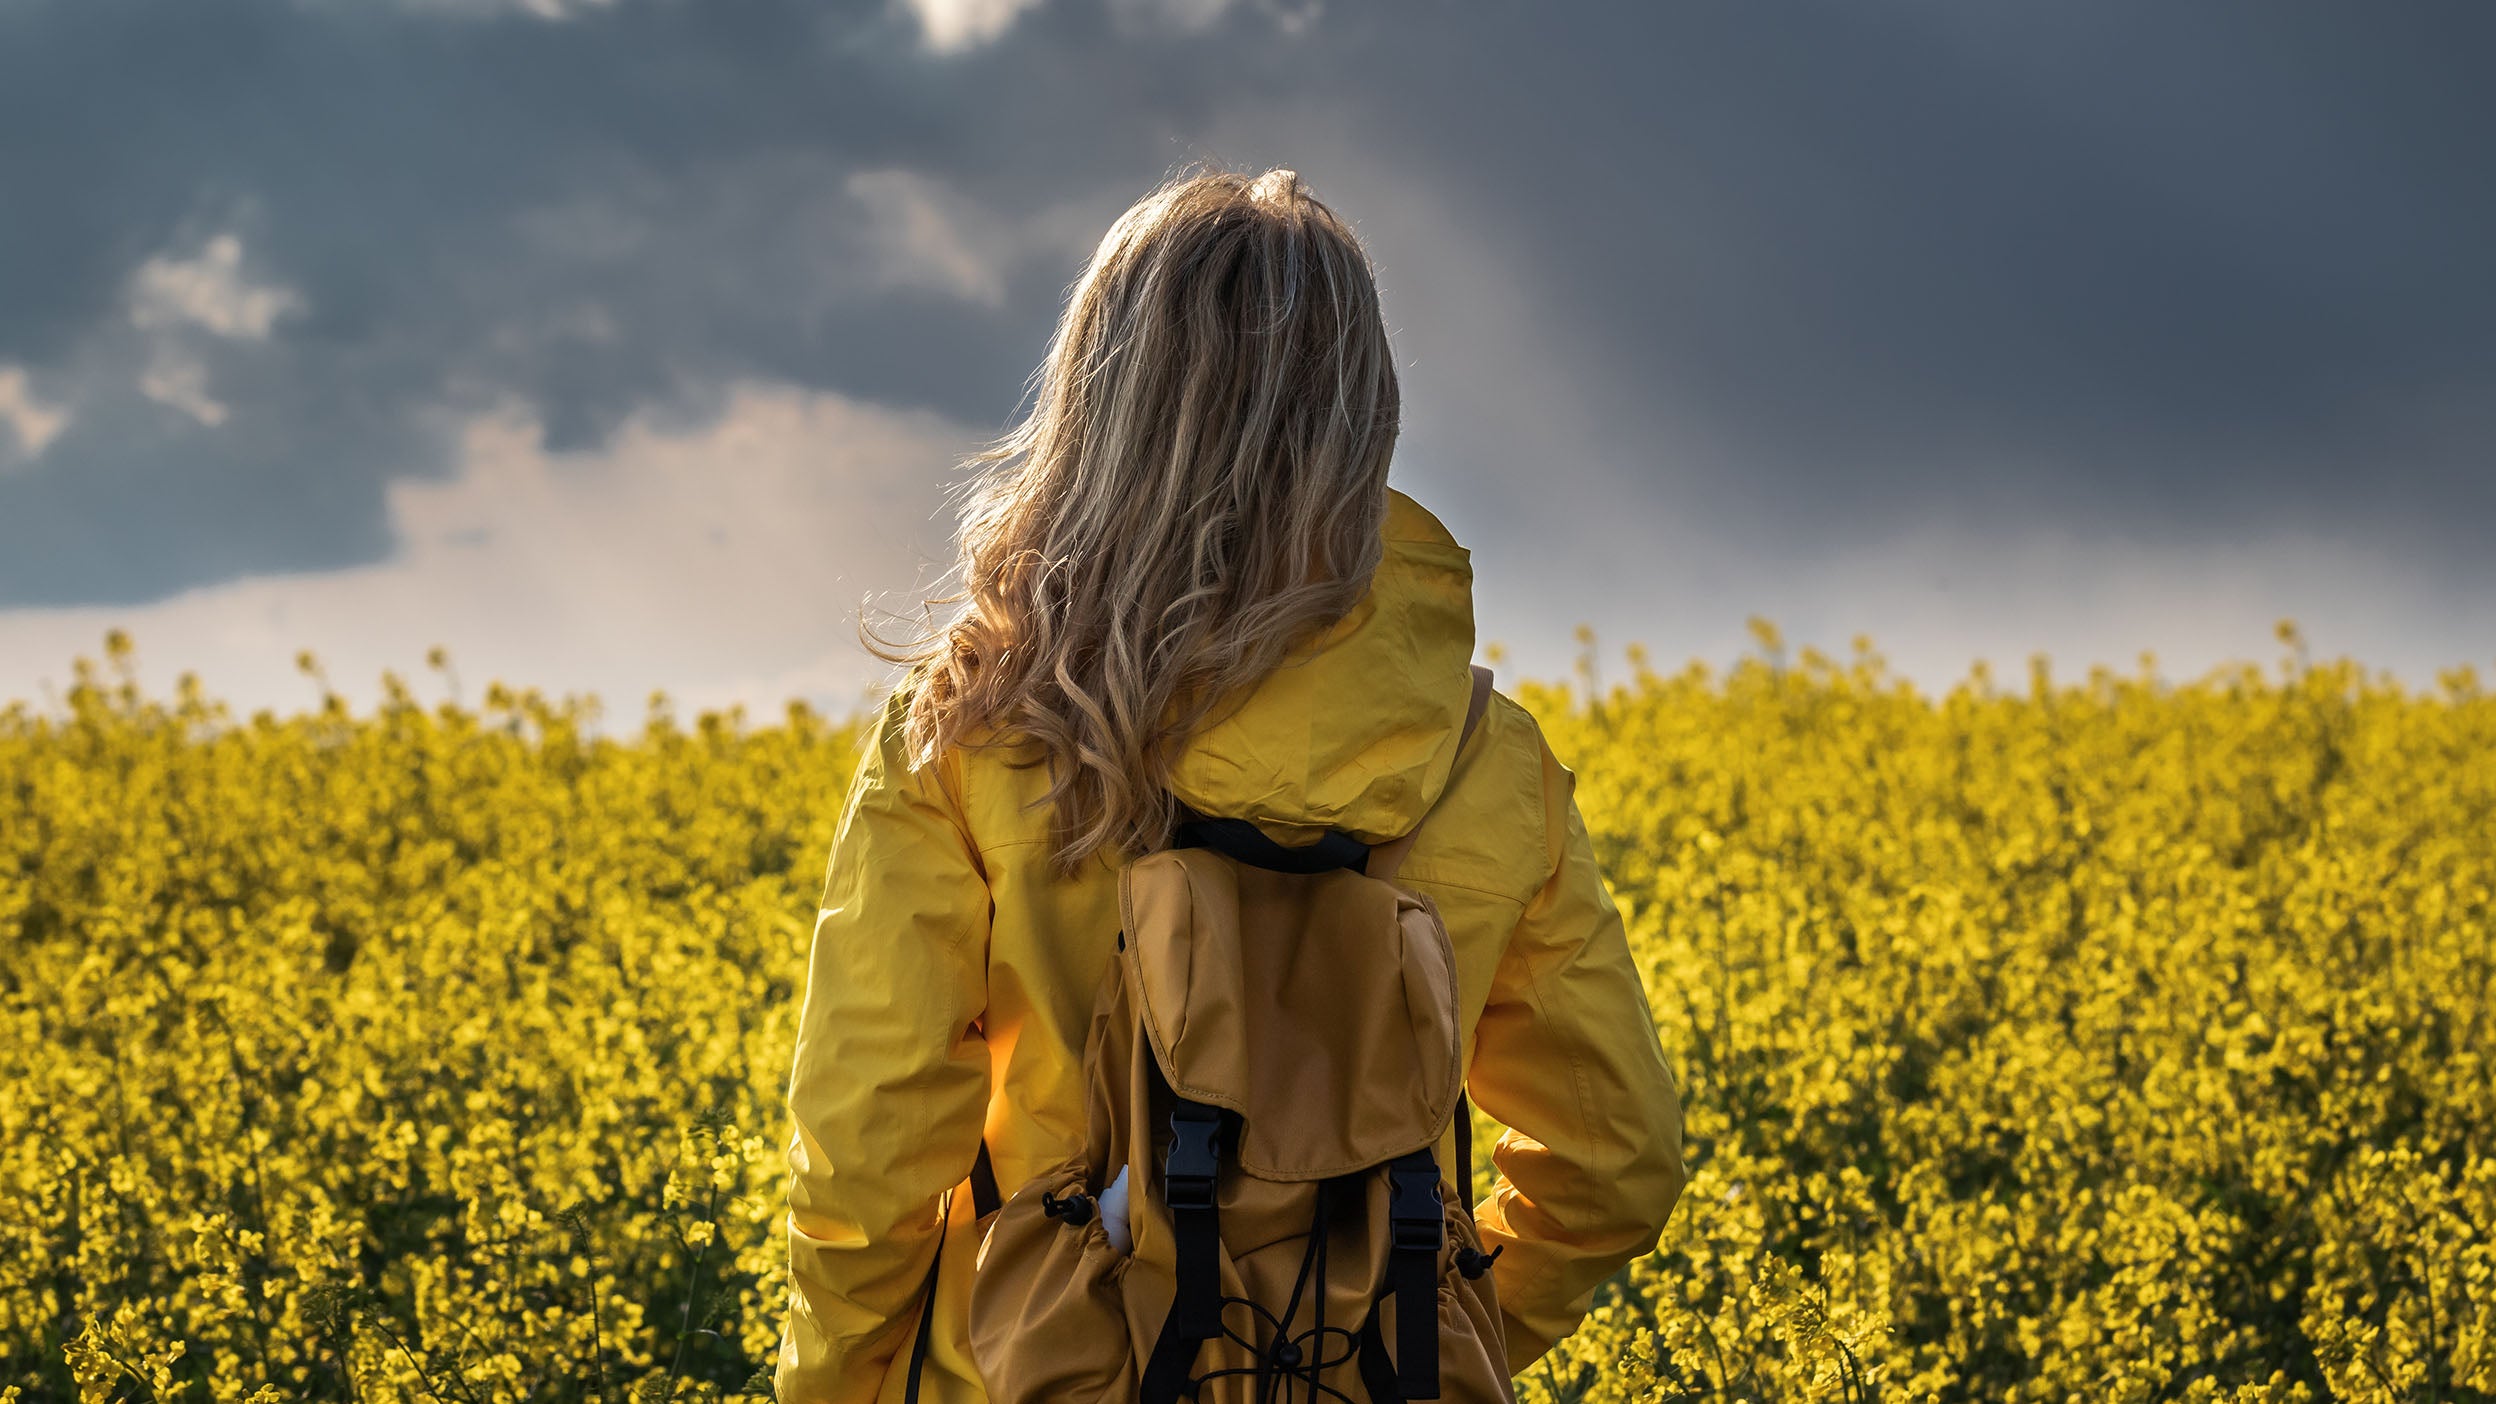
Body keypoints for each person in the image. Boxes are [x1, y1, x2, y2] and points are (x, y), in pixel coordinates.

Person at [775, 163, 1685, 1404]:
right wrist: (1428, 1334)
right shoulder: (1487, 762)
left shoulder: (977, 729)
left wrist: (839, 1388)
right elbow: (1614, 1160)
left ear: (1102, 405)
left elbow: (869, 1154)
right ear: (1363, 416)